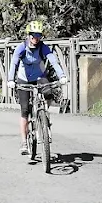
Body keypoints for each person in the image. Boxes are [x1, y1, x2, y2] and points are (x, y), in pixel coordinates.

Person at [9, 20, 67, 155]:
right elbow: (14, 64)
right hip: (24, 79)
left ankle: (44, 117)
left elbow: (53, 60)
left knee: (48, 93)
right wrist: (11, 79)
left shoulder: (42, 47)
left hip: (40, 77)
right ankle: (24, 142)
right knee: (24, 110)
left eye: (39, 35)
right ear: (29, 35)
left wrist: (62, 75)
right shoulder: (21, 48)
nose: (36, 38)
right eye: (34, 35)